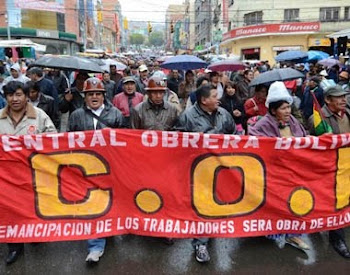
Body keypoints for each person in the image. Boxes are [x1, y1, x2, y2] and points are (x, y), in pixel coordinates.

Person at [175, 84, 236, 263]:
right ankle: (200, 244)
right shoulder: (187, 117)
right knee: (202, 206)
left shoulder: (224, 114)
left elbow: (234, 134)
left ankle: (208, 232)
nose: (219, 99)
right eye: (215, 96)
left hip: (221, 169)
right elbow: (177, 143)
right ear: (204, 100)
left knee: (215, 204)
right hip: (197, 172)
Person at [67, 77, 123, 263]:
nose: (94, 97)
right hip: (86, 171)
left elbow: (125, 142)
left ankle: (110, 229)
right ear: (85, 97)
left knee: (111, 202)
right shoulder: (76, 115)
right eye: (90, 94)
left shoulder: (115, 114)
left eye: (98, 93)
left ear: (103, 95)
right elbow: (68, 141)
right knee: (94, 206)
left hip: (111, 168)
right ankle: (95, 247)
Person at [0, 81, 56, 264]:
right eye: (10, 95)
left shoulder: (39, 116)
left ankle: (35, 233)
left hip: (33, 174)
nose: (14, 99)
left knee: (33, 206)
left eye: (18, 95)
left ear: (26, 96)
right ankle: (14, 247)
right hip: (6, 177)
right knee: (10, 212)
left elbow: (54, 139)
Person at [249, 82, 309, 250]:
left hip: (293, 172)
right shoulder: (262, 125)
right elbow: (256, 145)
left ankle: (292, 236)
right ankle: (266, 232)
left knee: (293, 203)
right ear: (273, 110)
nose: (288, 111)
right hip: (272, 174)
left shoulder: (294, 123)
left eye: (289, 107)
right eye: (283, 108)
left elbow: (305, 139)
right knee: (273, 205)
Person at [308, 85, 350, 258]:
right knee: (335, 204)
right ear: (327, 100)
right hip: (330, 169)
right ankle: (337, 239)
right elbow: (311, 147)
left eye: (344, 96)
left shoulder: (347, 113)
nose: (343, 100)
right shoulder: (318, 118)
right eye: (338, 97)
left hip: (347, 165)